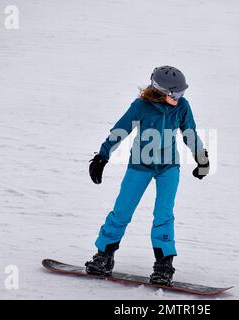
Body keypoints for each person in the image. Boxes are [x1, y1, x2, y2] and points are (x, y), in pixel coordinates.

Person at [85, 65, 209, 286]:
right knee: (122, 211)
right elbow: (120, 130)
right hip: (140, 166)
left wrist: (202, 158)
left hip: (168, 168)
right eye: (176, 94)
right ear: (161, 91)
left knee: (164, 214)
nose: (180, 97)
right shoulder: (140, 107)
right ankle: (104, 255)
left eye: (182, 93)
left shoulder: (181, 107)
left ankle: (164, 264)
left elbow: (190, 132)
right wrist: (102, 156)